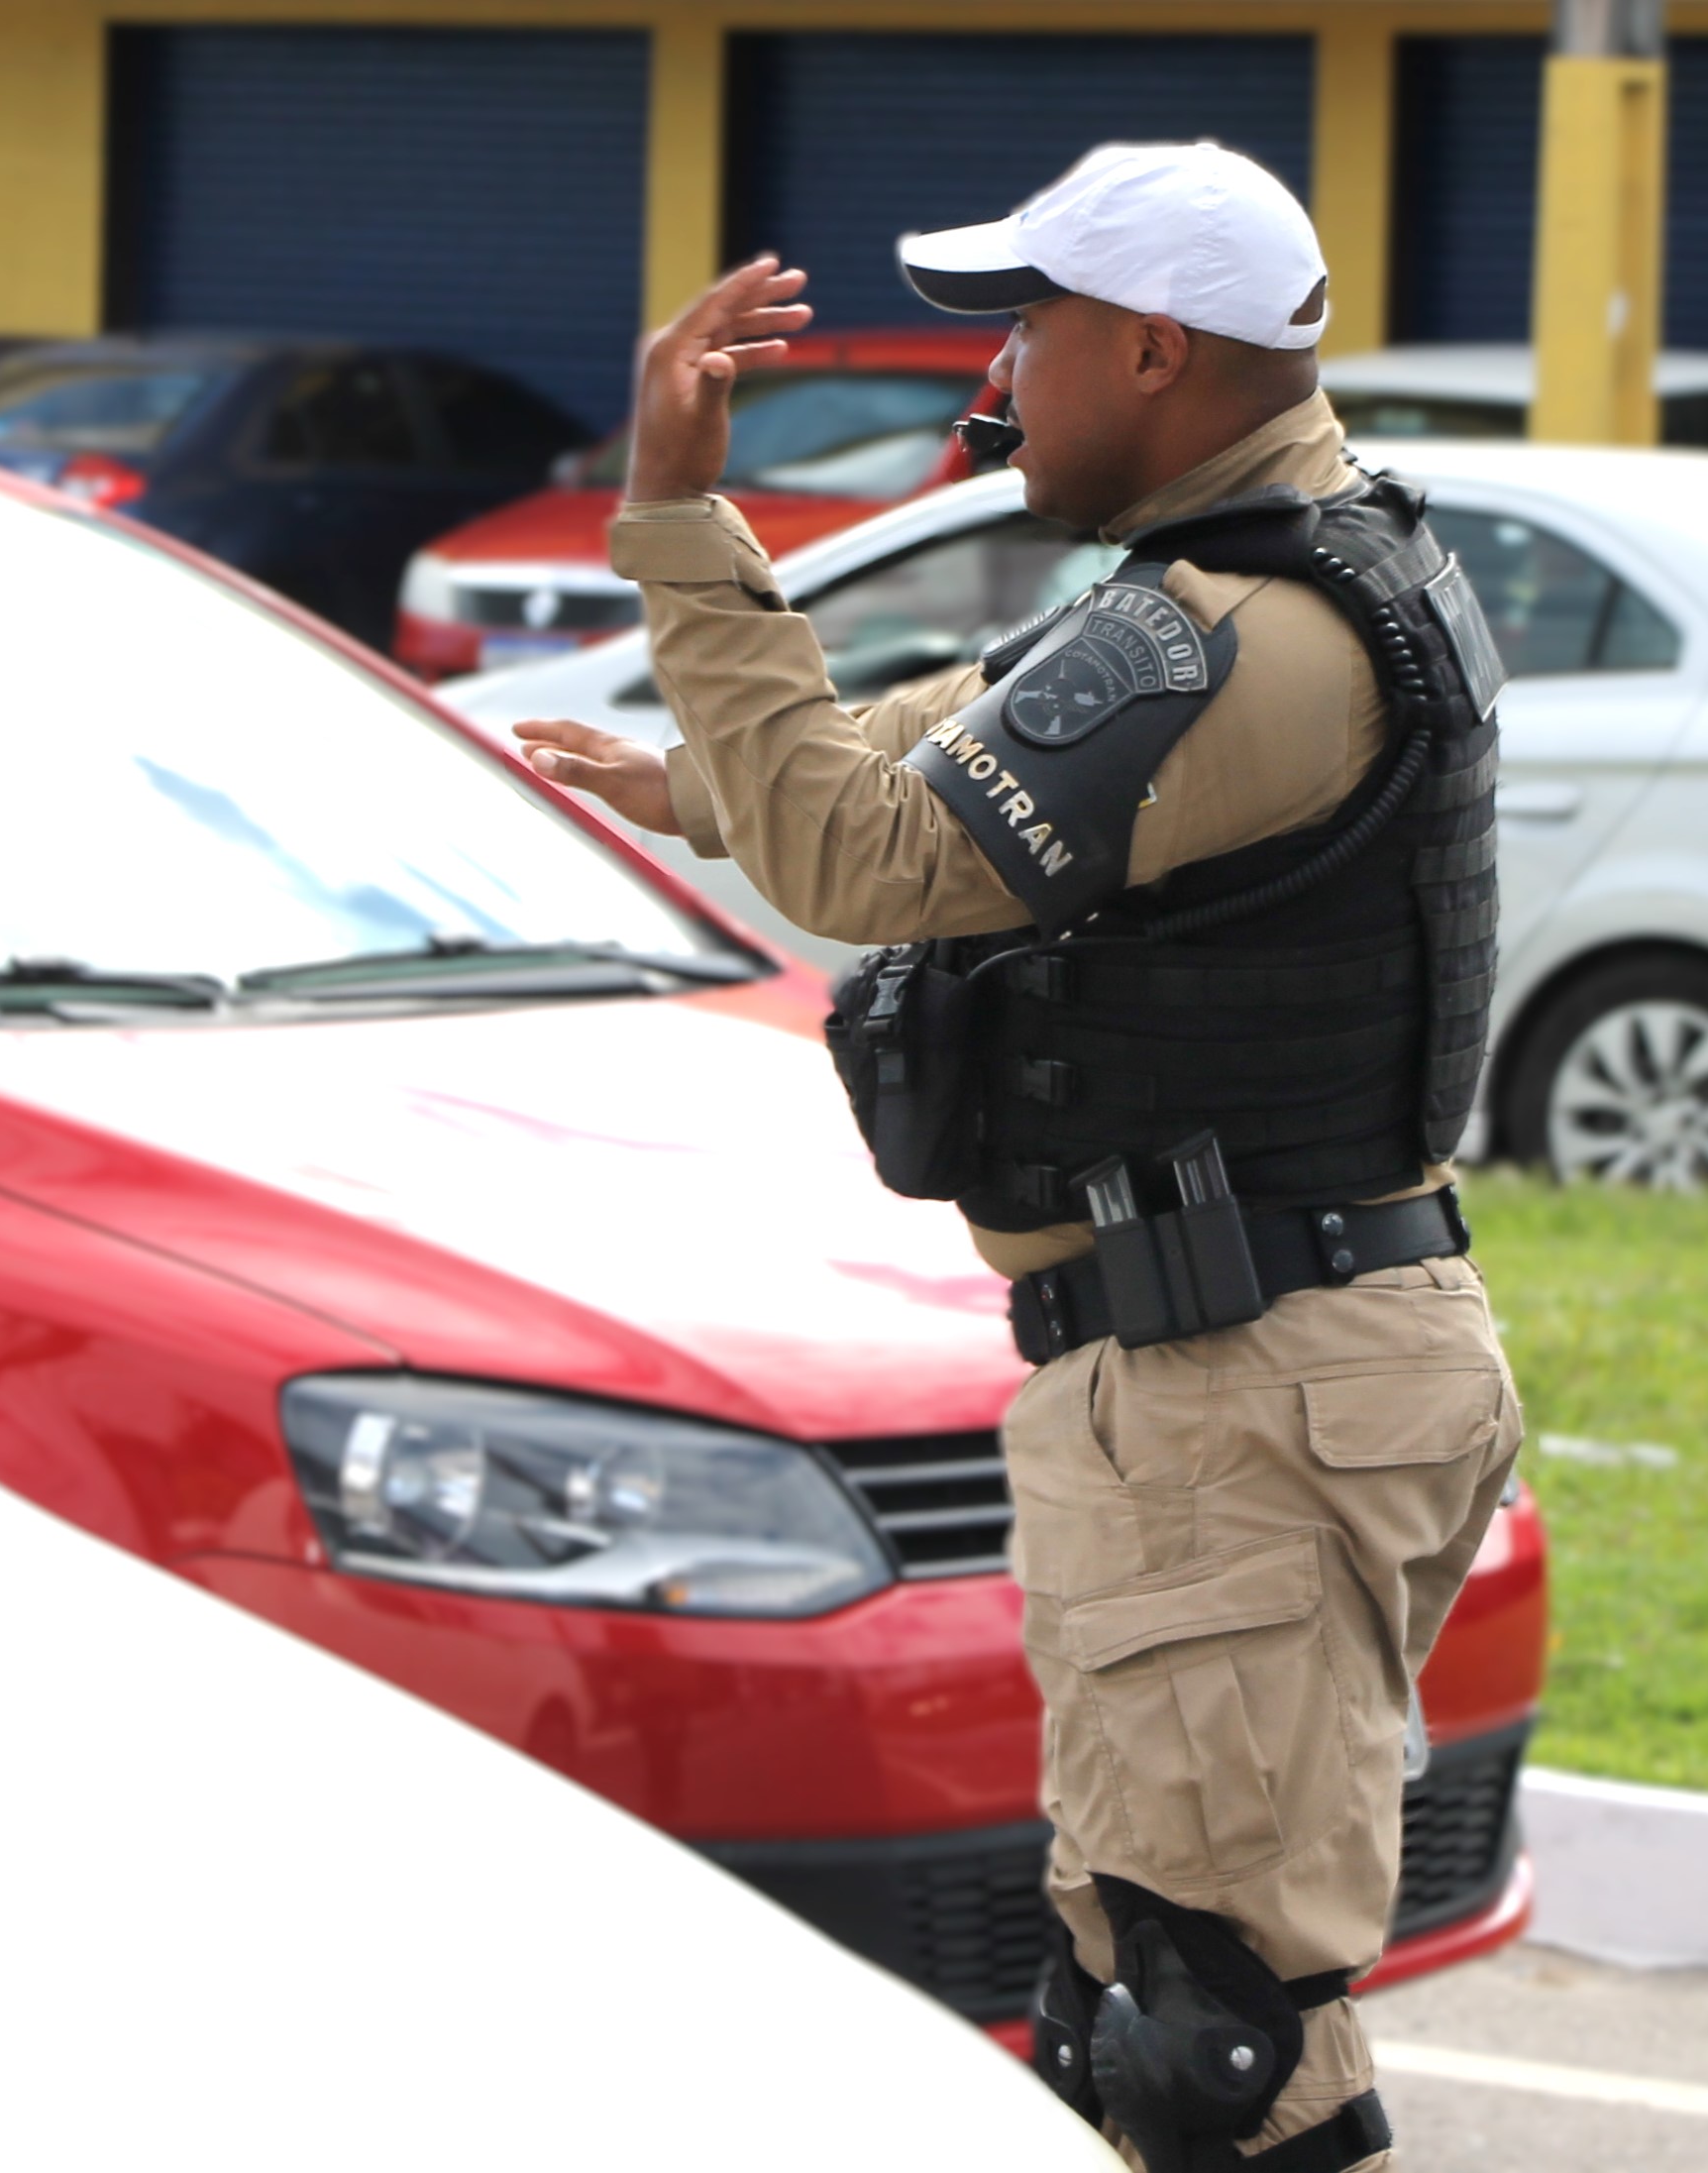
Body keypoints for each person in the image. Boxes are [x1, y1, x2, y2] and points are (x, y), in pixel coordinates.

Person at [511, 142, 1520, 2173]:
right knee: (1134, 1994)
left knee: (1210, 2036)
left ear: (1150, 349)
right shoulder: (1290, 563)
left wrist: (683, 523)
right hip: (1272, 1362)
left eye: (1027, 331)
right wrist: (700, 779)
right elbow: (948, 732)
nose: (995, 384)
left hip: (1240, 1390)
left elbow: (867, 851)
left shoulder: (1246, 630)